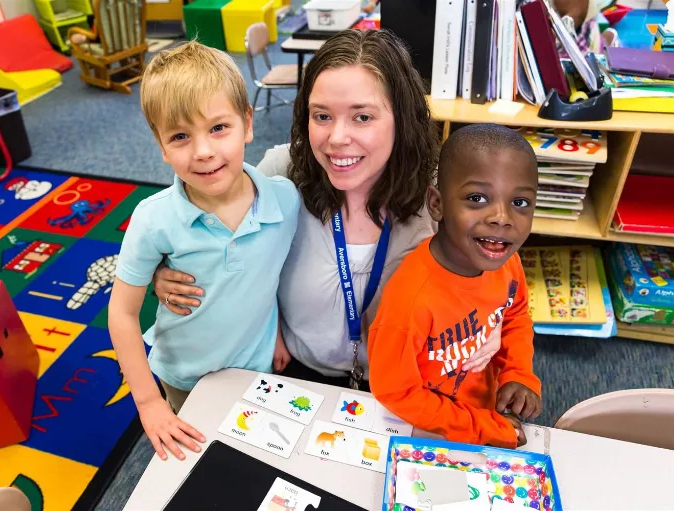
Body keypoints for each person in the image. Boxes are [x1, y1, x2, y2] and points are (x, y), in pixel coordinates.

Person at [151, 30, 499, 392]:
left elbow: (498, 272)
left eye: (362, 117)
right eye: (322, 116)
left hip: (405, 381)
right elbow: (199, 216)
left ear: (403, 118)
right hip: (294, 370)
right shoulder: (280, 173)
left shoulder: (441, 195)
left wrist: (492, 318)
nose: (336, 138)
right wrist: (165, 270)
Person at [108, 41, 300, 461]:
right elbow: (121, 313)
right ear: (161, 146)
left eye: (218, 128)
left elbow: (274, 273)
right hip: (183, 375)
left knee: (254, 453)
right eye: (180, 136)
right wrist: (148, 403)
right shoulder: (152, 219)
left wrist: (279, 332)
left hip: (257, 367)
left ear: (247, 124)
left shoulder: (285, 201)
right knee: (201, 456)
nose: (204, 151)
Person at [368, 124, 543, 449]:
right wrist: (481, 427)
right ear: (437, 204)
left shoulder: (506, 261)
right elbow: (396, 392)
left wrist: (519, 373)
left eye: (520, 202)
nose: (502, 218)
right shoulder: (410, 300)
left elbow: (516, 316)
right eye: (477, 198)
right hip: (428, 430)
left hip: (486, 410)